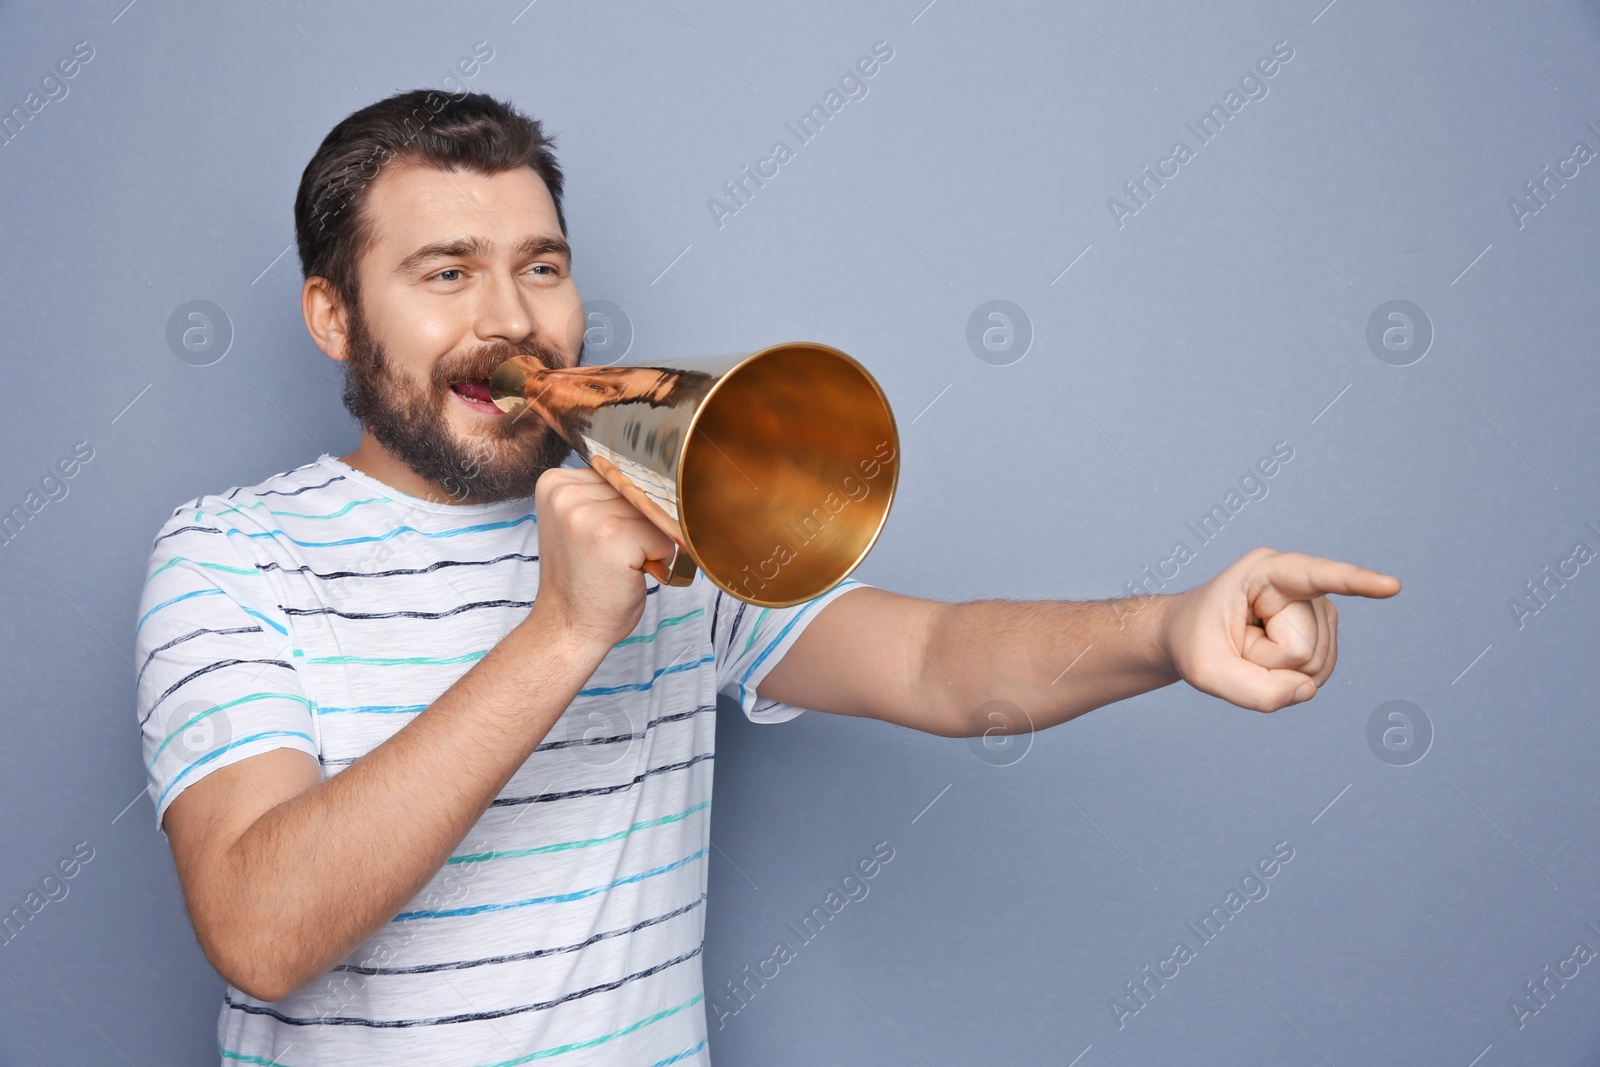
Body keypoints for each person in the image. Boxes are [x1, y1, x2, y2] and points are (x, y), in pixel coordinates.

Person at [133, 89, 1401, 1066]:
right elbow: (262, 928)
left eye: (541, 264)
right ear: (333, 317)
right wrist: (561, 634)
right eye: (445, 271)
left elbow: (931, 661)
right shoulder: (234, 555)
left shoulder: (666, 518)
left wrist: (1169, 628)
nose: (510, 318)